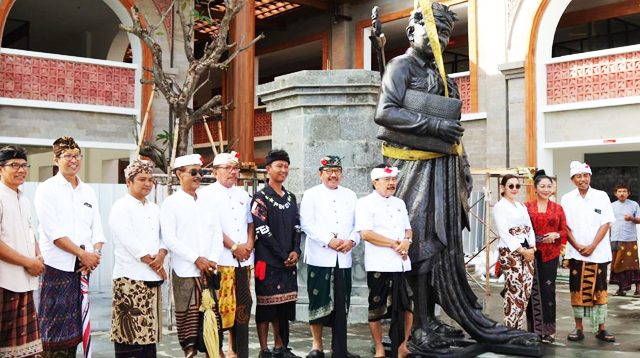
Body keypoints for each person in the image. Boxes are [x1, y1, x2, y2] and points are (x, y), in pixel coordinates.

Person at [374, 2, 537, 353]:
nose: (441, 41)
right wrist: (434, 125)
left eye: (447, 35)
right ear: (413, 31)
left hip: (445, 170)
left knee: (441, 245)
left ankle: (430, 320)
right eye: (435, 32)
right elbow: (385, 113)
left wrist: (462, 165)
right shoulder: (400, 66)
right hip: (414, 169)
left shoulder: (446, 79)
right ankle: (418, 327)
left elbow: (457, 133)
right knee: (419, 242)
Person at [34, 137, 105, 357]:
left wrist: (95, 255)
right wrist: (83, 254)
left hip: (82, 268)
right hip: (55, 267)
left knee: (76, 324)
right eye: (68, 156)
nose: (73, 160)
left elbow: (98, 230)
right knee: (52, 326)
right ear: (56, 160)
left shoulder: (88, 191)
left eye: (77, 155)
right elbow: (54, 233)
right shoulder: (47, 189)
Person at [160, 154, 224, 358]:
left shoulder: (209, 201)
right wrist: (196, 258)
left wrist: (213, 258)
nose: (198, 176)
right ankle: (190, 352)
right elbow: (169, 239)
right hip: (185, 270)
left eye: (201, 172)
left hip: (209, 270)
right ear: (179, 174)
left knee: (213, 321)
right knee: (188, 322)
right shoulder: (171, 203)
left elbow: (217, 233)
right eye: (193, 172)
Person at [299, 156, 360, 358]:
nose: (333, 175)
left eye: (337, 171)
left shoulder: (351, 195)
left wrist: (351, 241)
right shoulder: (311, 194)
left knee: (342, 302)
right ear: (320, 173)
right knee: (318, 299)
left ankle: (339, 347)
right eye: (329, 171)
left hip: (343, 256)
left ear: (341, 173)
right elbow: (307, 224)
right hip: (320, 256)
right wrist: (328, 240)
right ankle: (317, 346)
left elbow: (357, 225)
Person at [199, 151, 254, 358]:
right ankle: (218, 351)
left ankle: (236, 350)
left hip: (243, 261)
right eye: (228, 168)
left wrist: (249, 243)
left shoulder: (243, 194)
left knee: (242, 306)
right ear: (215, 172)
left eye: (236, 168)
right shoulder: (206, 195)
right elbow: (213, 228)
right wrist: (233, 247)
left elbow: (250, 222)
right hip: (220, 259)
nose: (233, 172)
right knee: (220, 308)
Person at [109, 159, 167, 357]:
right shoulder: (121, 207)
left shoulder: (155, 208)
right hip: (129, 279)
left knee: (149, 335)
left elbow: (163, 237)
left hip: (152, 279)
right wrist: (156, 265)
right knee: (130, 333)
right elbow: (129, 241)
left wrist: (161, 254)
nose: (147, 184)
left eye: (150, 179)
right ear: (128, 182)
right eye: (142, 179)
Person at [356, 165, 413, 358]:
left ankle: (403, 345)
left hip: (402, 263)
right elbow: (366, 234)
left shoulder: (400, 203)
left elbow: (408, 229)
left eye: (393, 180)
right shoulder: (365, 203)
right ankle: (379, 347)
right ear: (375, 182)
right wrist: (393, 244)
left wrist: (407, 241)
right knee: (377, 307)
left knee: (406, 306)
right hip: (379, 263)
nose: (391, 184)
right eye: (387, 180)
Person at [251, 149, 301, 358]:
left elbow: (297, 227)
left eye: (286, 166)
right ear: (268, 169)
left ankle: (281, 347)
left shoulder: (290, 197)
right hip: (268, 261)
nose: (283, 170)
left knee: (284, 307)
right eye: (279, 166)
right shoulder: (260, 197)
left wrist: (296, 251)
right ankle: (264, 350)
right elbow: (261, 229)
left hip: (289, 261)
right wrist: (282, 254)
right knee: (266, 307)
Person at [561, 161, 615, 343]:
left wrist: (592, 246)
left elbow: (606, 223)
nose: (582, 179)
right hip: (576, 253)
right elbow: (565, 226)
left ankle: (601, 328)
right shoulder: (567, 198)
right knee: (577, 290)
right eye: (578, 176)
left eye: (585, 176)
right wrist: (576, 245)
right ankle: (578, 327)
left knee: (600, 290)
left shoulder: (601, 196)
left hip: (598, 253)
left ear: (590, 177)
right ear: (572, 179)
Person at [0, 146, 44, 357]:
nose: (21, 170)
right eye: (14, 165)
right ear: (1, 169)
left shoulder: (24, 199)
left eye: (24, 165)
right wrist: (28, 262)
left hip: (25, 282)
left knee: (23, 350)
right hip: (4, 282)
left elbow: (29, 232)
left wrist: (37, 257)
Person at [524, 170, 568, 343]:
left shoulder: (558, 208)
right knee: (531, 290)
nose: (546, 189)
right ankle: (533, 330)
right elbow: (522, 229)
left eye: (549, 186)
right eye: (542, 186)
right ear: (535, 188)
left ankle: (548, 331)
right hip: (530, 254)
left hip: (550, 254)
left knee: (548, 291)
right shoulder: (526, 207)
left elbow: (564, 230)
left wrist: (556, 235)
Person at [492, 174, 536, 330]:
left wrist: (532, 247)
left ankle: (519, 327)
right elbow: (504, 232)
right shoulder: (499, 207)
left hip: (528, 250)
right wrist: (522, 250)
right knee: (514, 289)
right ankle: (510, 327)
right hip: (510, 252)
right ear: (503, 188)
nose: (515, 189)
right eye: (511, 186)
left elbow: (530, 228)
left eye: (517, 186)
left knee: (526, 289)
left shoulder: (521, 206)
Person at [608, 183, 640, 297]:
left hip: (630, 239)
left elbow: (639, 220)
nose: (622, 193)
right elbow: (608, 223)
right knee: (617, 264)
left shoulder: (634, 205)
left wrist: (632, 218)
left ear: (628, 193)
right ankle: (622, 289)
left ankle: (638, 289)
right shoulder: (611, 206)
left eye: (624, 191)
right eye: (620, 191)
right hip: (615, 238)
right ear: (616, 194)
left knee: (632, 264)